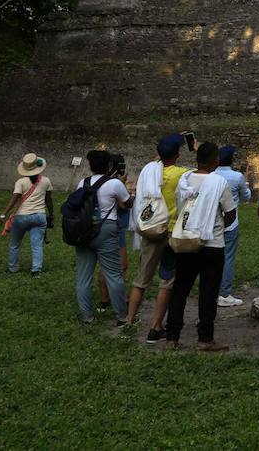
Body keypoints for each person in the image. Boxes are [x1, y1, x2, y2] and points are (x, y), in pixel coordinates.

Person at [165, 142, 236, 351]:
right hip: (212, 242)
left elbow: (180, 206)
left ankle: (172, 336)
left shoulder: (184, 180)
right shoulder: (219, 182)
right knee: (208, 291)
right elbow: (230, 213)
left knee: (180, 289)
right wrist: (219, 224)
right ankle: (205, 338)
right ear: (216, 160)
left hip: (186, 239)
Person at [128, 133, 190, 343]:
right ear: (178, 155)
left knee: (141, 279)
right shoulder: (182, 174)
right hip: (171, 230)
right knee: (168, 281)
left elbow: (156, 162)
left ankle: (129, 321)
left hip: (150, 228)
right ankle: (155, 326)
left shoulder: (149, 172)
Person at [74, 150, 133, 325]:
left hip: (84, 230)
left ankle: (87, 316)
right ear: (108, 166)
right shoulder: (114, 183)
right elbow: (128, 203)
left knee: (84, 276)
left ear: (90, 166)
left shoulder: (82, 183)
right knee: (113, 274)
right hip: (106, 230)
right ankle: (122, 316)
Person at [0, 152, 53, 275]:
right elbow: (49, 200)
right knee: (36, 245)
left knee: (14, 244)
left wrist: (4, 213)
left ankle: (13, 268)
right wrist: (52, 214)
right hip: (39, 216)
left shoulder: (21, 182)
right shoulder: (46, 181)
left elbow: (14, 198)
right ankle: (36, 270)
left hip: (21, 217)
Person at [214, 143, 252, 307]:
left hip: (213, 221)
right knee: (227, 257)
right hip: (231, 222)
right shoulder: (237, 177)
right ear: (232, 160)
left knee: (213, 258)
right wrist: (247, 181)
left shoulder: (211, 174)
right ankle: (224, 293)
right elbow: (246, 196)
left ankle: (212, 290)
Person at [98, 152, 130, 311]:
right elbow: (124, 204)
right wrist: (126, 189)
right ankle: (120, 300)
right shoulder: (114, 184)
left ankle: (105, 300)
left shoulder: (98, 182)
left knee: (104, 266)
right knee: (121, 266)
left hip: (101, 227)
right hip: (115, 228)